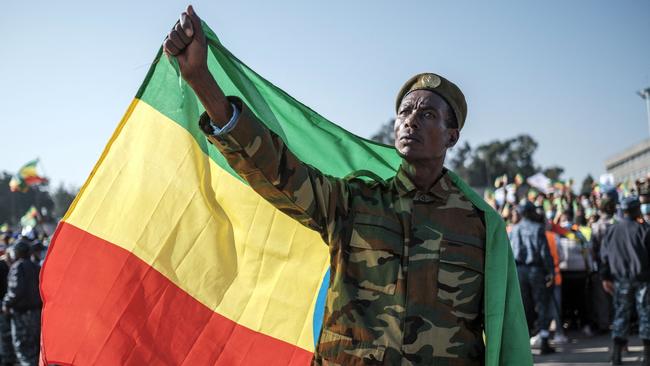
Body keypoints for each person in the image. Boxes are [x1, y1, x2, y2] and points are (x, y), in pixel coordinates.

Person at [163, 6, 532, 365]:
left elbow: (502, 333)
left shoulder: (480, 227)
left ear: (452, 136)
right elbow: (277, 170)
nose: (411, 121)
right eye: (405, 112)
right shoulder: (353, 203)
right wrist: (201, 80)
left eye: (427, 114)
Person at [600, 196, 650, 366]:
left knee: (621, 315)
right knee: (645, 315)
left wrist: (605, 277)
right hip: (642, 279)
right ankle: (647, 356)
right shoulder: (644, 229)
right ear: (636, 210)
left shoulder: (612, 229)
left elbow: (604, 257)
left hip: (620, 280)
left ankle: (616, 356)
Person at [509, 201, 555, 354]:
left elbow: (511, 253)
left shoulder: (514, 230)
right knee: (542, 305)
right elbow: (544, 253)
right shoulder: (537, 229)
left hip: (519, 271)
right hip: (535, 270)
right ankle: (543, 340)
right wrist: (551, 272)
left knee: (524, 307)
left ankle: (524, 342)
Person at [2, 240, 41, 366]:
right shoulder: (36, 266)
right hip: (36, 314)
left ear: (17, 253)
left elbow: (15, 291)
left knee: (24, 350)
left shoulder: (17, 267)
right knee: (35, 349)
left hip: (22, 316)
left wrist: (6, 304)